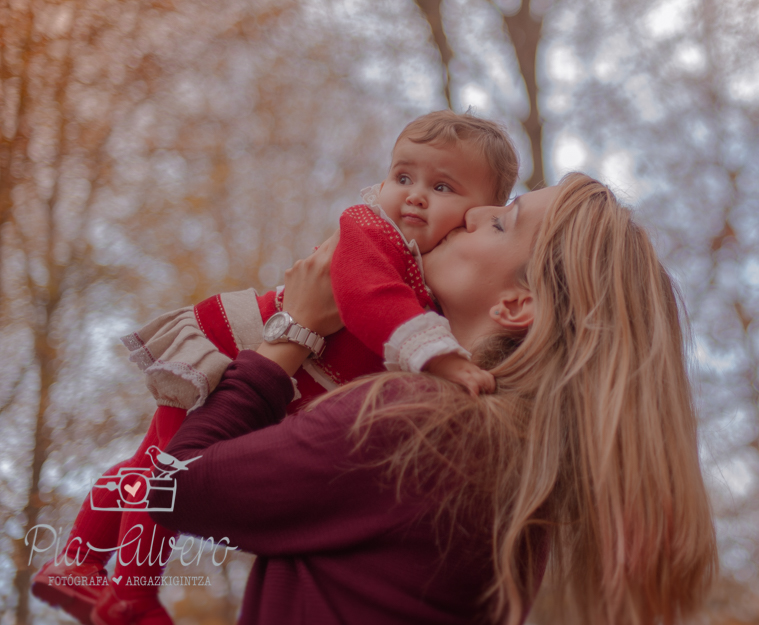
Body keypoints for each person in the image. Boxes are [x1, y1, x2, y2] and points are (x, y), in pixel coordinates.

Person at [146, 174, 718, 624]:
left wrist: (293, 329)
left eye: (502, 223)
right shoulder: (511, 455)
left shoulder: (423, 425)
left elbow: (173, 486)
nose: (473, 213)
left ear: (518, 306)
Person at [30, 110, 519, 625]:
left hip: (272, 367)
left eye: (442, 186)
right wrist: (439, 357)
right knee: (163, 470)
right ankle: (132, 594)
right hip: (236, 343)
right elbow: (370, 300)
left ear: (480, 213)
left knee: (149, 456)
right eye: (403, 177)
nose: (415, 195)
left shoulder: (436, 275)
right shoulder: (372, 232)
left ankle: (77, 561)